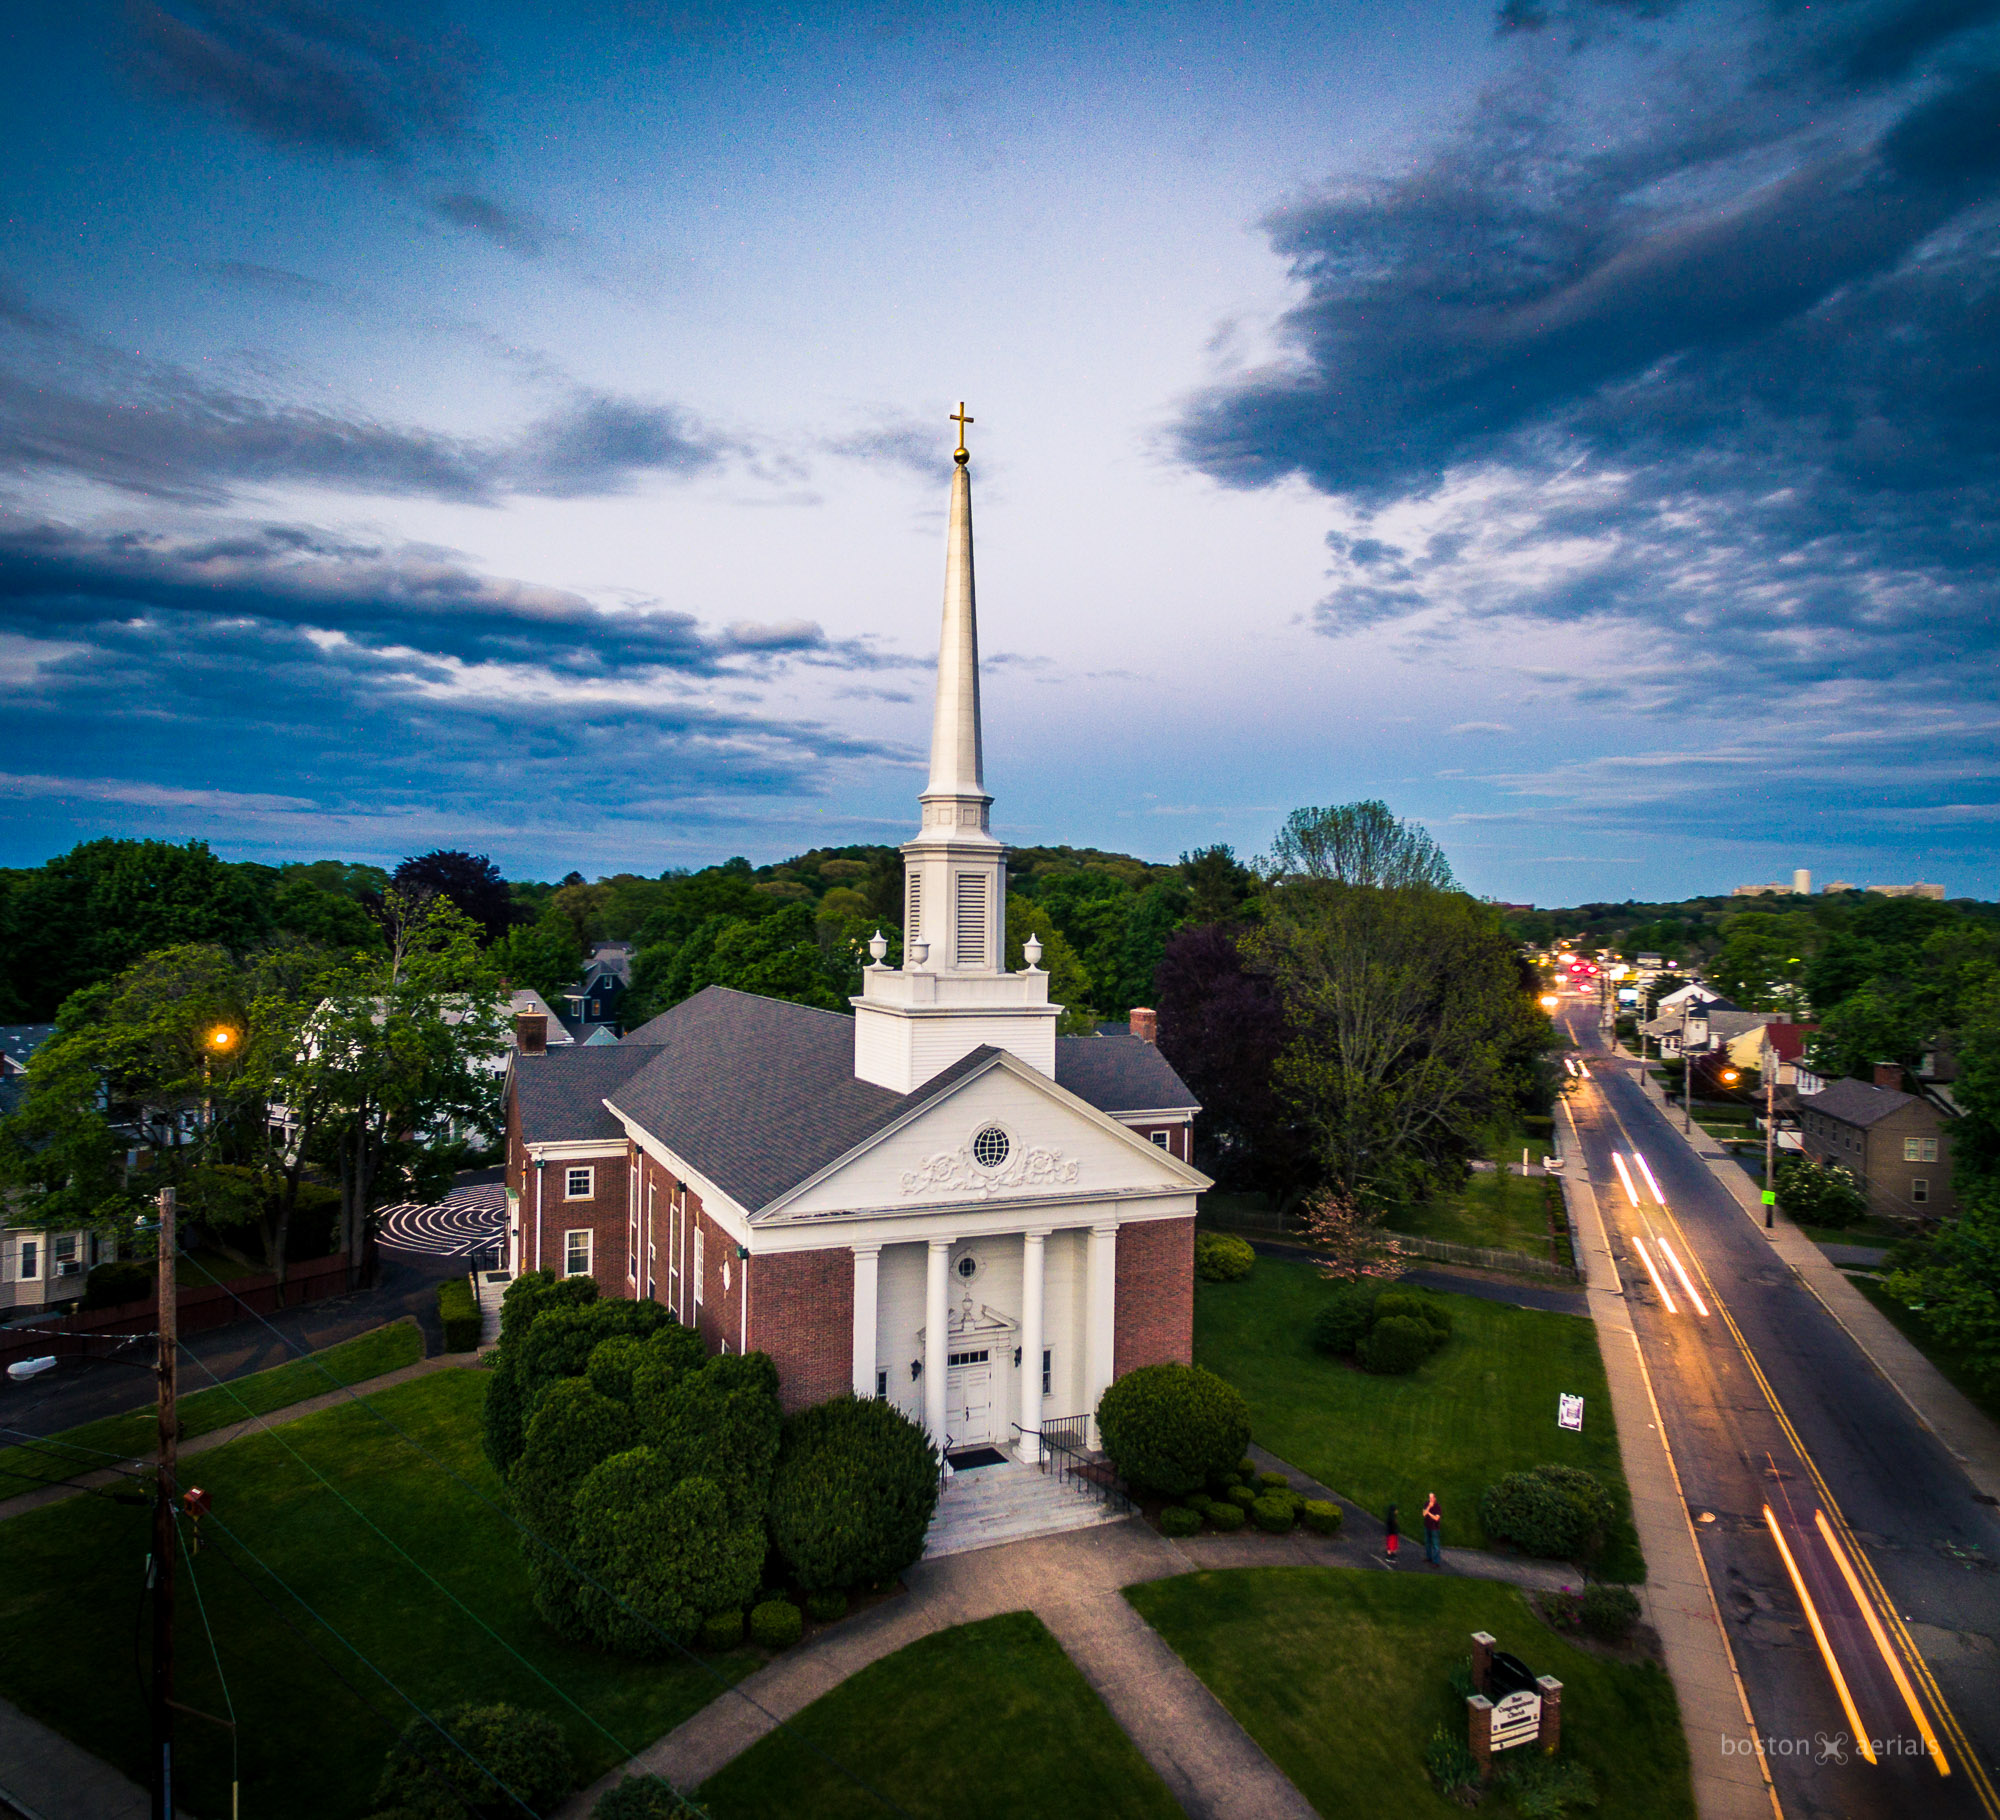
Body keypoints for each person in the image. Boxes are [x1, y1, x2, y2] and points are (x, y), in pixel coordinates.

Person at [1422, 1491, 1443, 1566]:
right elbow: (1424, 1514)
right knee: (1427, 1543)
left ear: (1435, 1498)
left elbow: (1436, 1518)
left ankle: (1436, 1561)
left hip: (1434, 1528)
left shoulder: (1438, 1507)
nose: (1430, 1499)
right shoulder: (1426, 1504)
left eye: (1431, 1497)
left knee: (1435, 1545)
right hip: (1427, 1526)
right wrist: (1428, 1507)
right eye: (1429, 1497)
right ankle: (1429, 1557)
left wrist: (1429, 1513)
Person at [1383, 1502, 1399, 1567]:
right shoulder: (1392, 1518)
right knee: (1391, 1545)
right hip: (1392, 1533)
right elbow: (1393, 1526)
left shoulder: (1391, 1517)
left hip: (1391, 1533)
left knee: (1391, 1545)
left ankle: (1391, 1555)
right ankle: (1389, 1556)